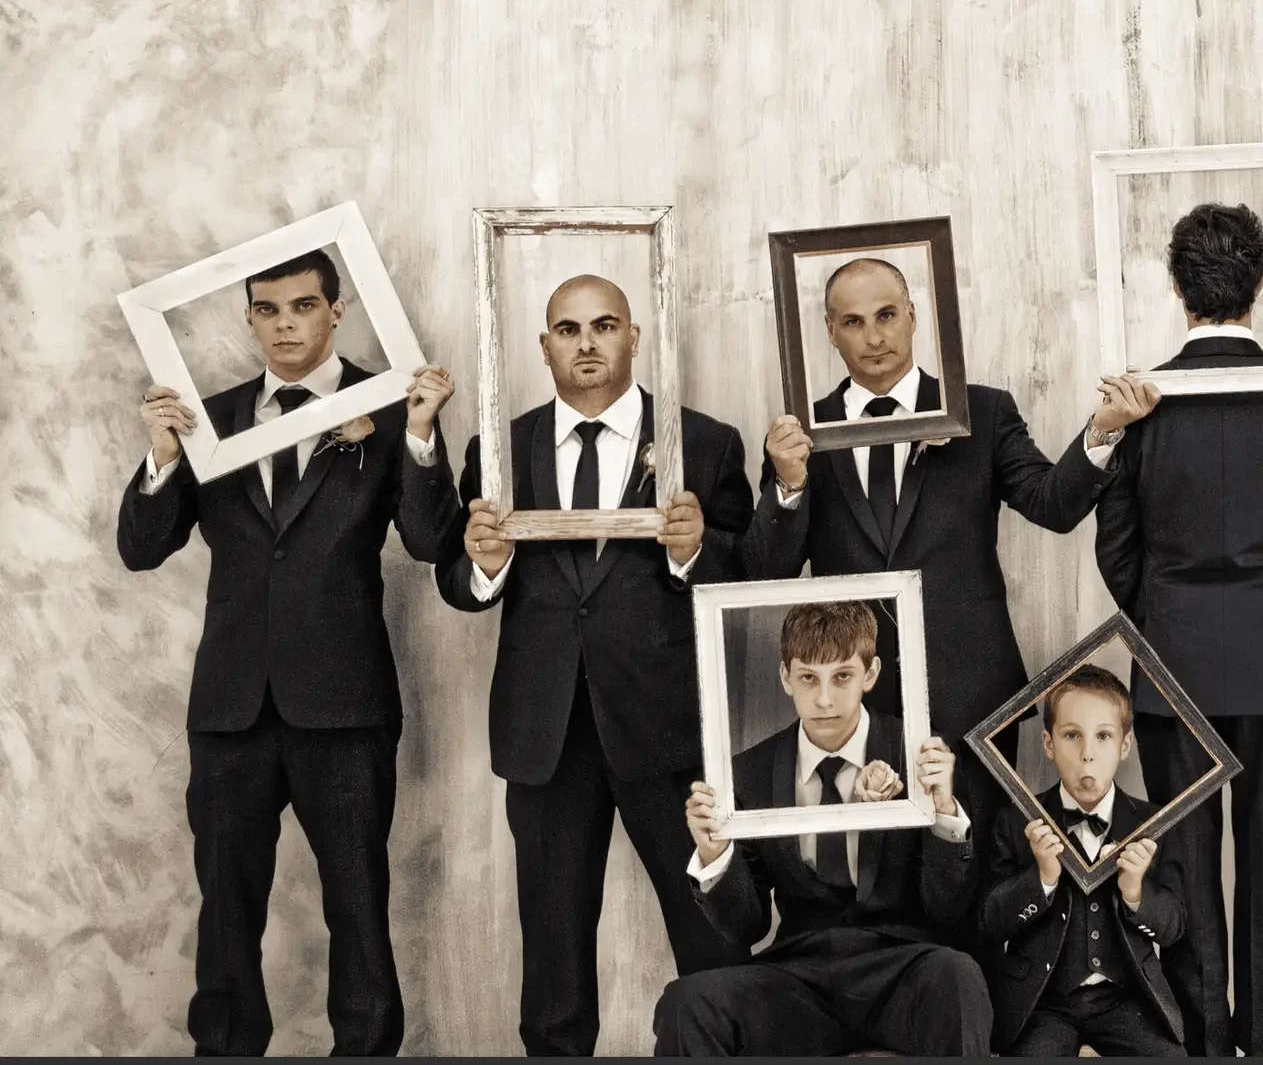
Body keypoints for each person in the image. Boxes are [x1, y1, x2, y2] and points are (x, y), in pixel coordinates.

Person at [117, 247, 461, 1055]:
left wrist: (416, 435)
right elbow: (140, 549)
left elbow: (428, 538)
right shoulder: (211, 417)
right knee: (227, 907)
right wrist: (163, 459)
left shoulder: (385, 407)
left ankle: (366, 1049)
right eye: (266, 310)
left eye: (302, 307)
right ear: (248, 318)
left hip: (343, 705)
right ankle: (228, 1049)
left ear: (336, 312)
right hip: (231, 707)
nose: (284, 325)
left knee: (357, 901)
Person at [741, 256, 1161, 865]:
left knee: (971, 869)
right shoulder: (802, 433)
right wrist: (789, 487)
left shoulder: (981, 412)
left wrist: (1102, 429)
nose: (875, 336)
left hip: (973, 696)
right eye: (854, 322)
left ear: (912, 316)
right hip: (856, 701)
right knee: (871, 877)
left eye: (887, 315)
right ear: (830, 331)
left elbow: (1052, 504)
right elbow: (766, 574)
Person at [436, 275, 752, 1054]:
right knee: (553, 954)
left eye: (604, 325)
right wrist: (487, 563)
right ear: (544, 346)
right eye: (568, 329)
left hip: (668, 727)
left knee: (708, 931)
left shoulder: (703, 443)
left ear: (634, 337)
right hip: (546, 732)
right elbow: (460, 581)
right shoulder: (497, 449)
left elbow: (750, 574)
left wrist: (693, 551)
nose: (586, 342)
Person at [1091, 203, 1263, 1056]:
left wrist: (1170, 617)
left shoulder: (1140, 405)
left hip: (1173, 662)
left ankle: (1203, 1046)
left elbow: (1117, 552)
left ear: (1176, 287)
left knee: (1187, 864)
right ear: (1260, 284)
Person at [658, 600, 989, 1056]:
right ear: (785, 677)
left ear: (870, 675)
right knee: (686, 1003)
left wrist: (945, 810)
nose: (825, 698)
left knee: (958, 977)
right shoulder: (748, 773)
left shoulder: (918, 754)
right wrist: (715, 855)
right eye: (809, 677)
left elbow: (948, 907)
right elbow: (745, 928)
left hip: (899, 968)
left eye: (842, 676)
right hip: (799, 977)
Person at [978, 666, 1187, 1057]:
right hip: (1043, 1003)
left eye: (1103, 736)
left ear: (1125, 746)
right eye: (1071, 735)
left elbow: (1174, 927)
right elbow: (990, 922)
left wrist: (1136, 892)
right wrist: (1041, 879)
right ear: (1048, 743)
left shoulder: (1153, 823)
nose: (1087, 753)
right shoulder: (1016, 819)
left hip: (1126, 1000)